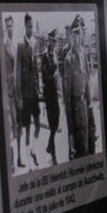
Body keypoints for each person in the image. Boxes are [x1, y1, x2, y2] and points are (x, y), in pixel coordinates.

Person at [61, 15, 94, 160]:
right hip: (77, 113)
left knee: (91, 150)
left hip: (86, 110)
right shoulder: (69, 60)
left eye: (81, 33)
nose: (79, 37)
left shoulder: (84, 55)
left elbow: (87, 87)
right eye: (77, 34)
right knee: (82, 153)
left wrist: (92, 116)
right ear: (73, 36)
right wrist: (70, 133)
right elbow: (67, 99)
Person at [17, 14, 42, 167]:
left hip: (34, 93)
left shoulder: (34, 43)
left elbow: (36, 70)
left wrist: (38, 89)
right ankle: (28, 160)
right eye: (29, 26)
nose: (31, 29)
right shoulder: (20, 45)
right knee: (26, 129)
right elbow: (17, 73)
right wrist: (19, 96)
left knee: (38, 125)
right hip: (25, 95)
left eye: (32, 26)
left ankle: (33, 150)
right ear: (25, 26)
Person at [2, 16, 20, 173]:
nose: (10, 28)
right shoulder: (4, 45)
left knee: (18, 125)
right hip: (8, 92)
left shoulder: (16, 44)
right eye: (7, 26)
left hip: (17, 90)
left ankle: (18, 158)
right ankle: (12, 163)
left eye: (11, 26)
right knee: (11, 126)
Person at [40, 29, 61, 165]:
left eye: (55, 41)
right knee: (53, 122)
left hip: (55, 92)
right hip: (48, 93)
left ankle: (49, 146)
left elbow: (57, 71)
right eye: (53, 41)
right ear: (49, 41)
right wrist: (52, 77)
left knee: (57, 119)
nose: (54, 43)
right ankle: (53, 155)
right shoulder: (45, 55)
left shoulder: (54, 54)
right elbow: (44, 74)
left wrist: (57, 85)